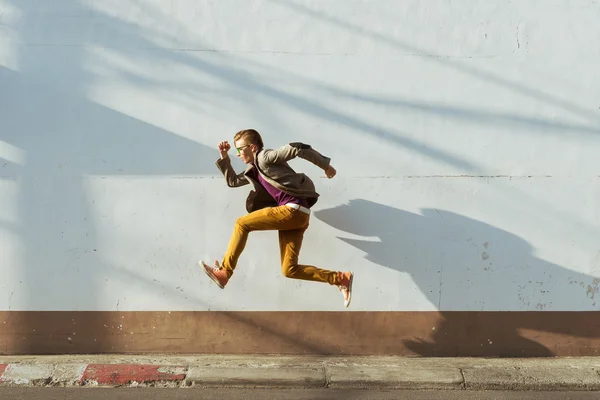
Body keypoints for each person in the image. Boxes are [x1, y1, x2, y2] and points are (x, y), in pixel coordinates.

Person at [200, 129, 354, 307]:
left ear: (252, 147)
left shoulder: (265, 156)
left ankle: (225, 271)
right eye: (236, 151)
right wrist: (224, 156)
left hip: (292, 210)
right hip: (299, 217)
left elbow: (297, 148)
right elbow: (232, 181)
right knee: (289, 269)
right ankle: (340, 279)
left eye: (240, 149)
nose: (239, 154)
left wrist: (325, 166)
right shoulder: (253, 169)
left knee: (241, 223)